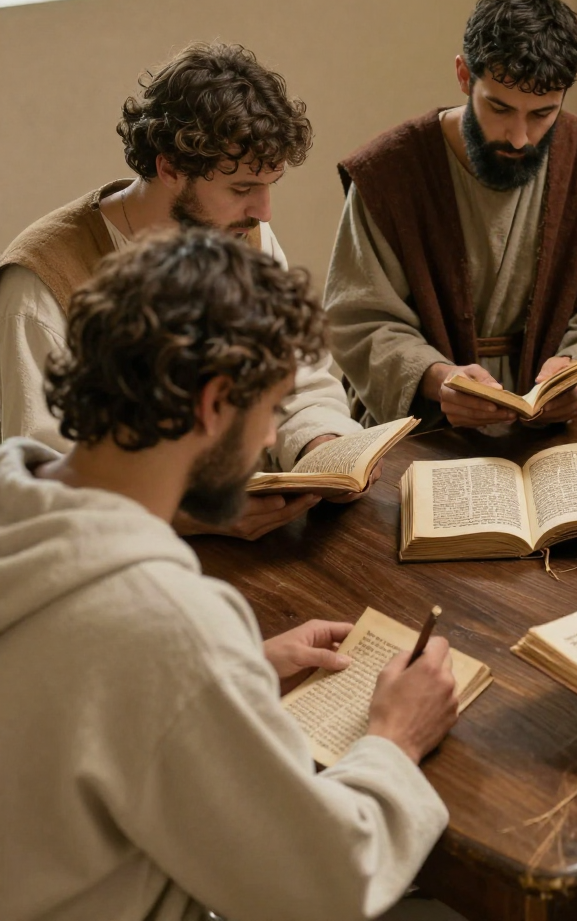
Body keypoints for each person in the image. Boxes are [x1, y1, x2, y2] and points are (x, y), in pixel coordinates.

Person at [0, 227, 459, 921]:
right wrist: (395, 739)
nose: (273, 438)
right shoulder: (167, 626)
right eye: (272, 409)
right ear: (213, 404)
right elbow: (327, 882)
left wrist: (235, 667)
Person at [0, 42, 368, 540]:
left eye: (270, 185)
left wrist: (322, 448)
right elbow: (42, 488)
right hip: (116, 562)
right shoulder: (41, 283)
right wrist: (186, 517)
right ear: (169, 167)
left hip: (264, 535)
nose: (264, 212)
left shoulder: (240, 236)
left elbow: (297, 381)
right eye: (241, 189)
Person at [324, 0, 577, 430]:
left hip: (558, 428)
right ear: (465, 76)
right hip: (424, 424)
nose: (520, 137)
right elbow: (360, 319)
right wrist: (437, 378)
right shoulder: (388, 174)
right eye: (500, 108)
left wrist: (575, 369)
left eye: (543, 114)